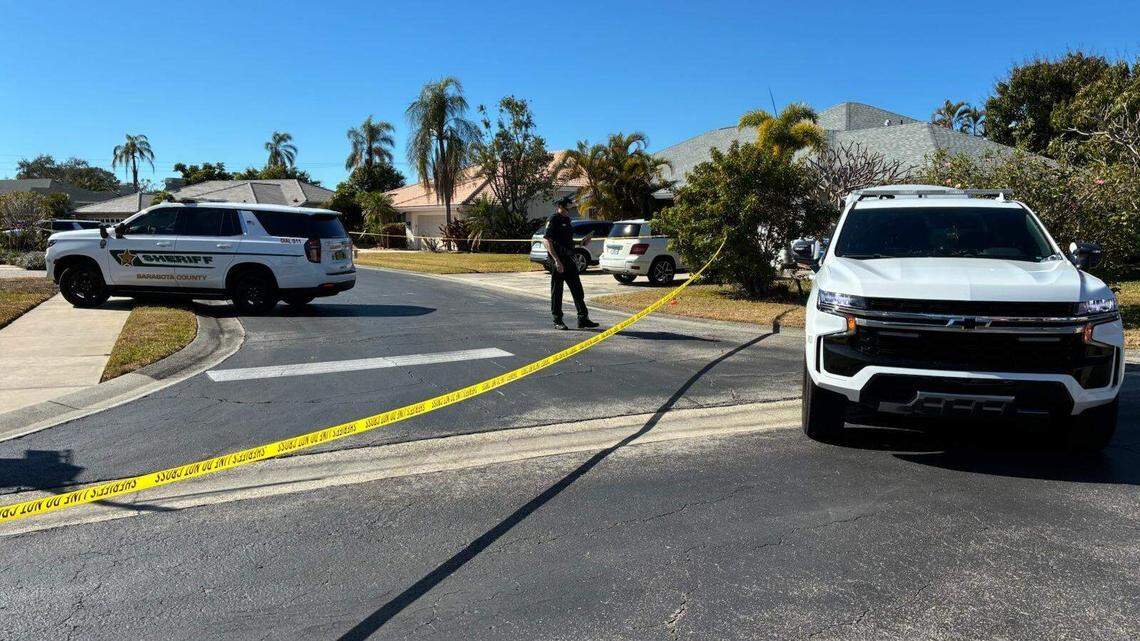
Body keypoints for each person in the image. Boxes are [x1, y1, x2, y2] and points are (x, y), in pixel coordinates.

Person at [543, 196, 600, 330]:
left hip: (569, 259)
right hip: (558, 260)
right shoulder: (553, 219)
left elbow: (567, 241)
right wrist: (556, 261)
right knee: (557, 291)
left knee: (577, 289)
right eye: (569, 207)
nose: (571, 209)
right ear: (561, 207)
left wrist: (581, 243)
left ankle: (583, 318)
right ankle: (557, 320)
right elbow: (547, 241)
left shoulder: (567, 220)